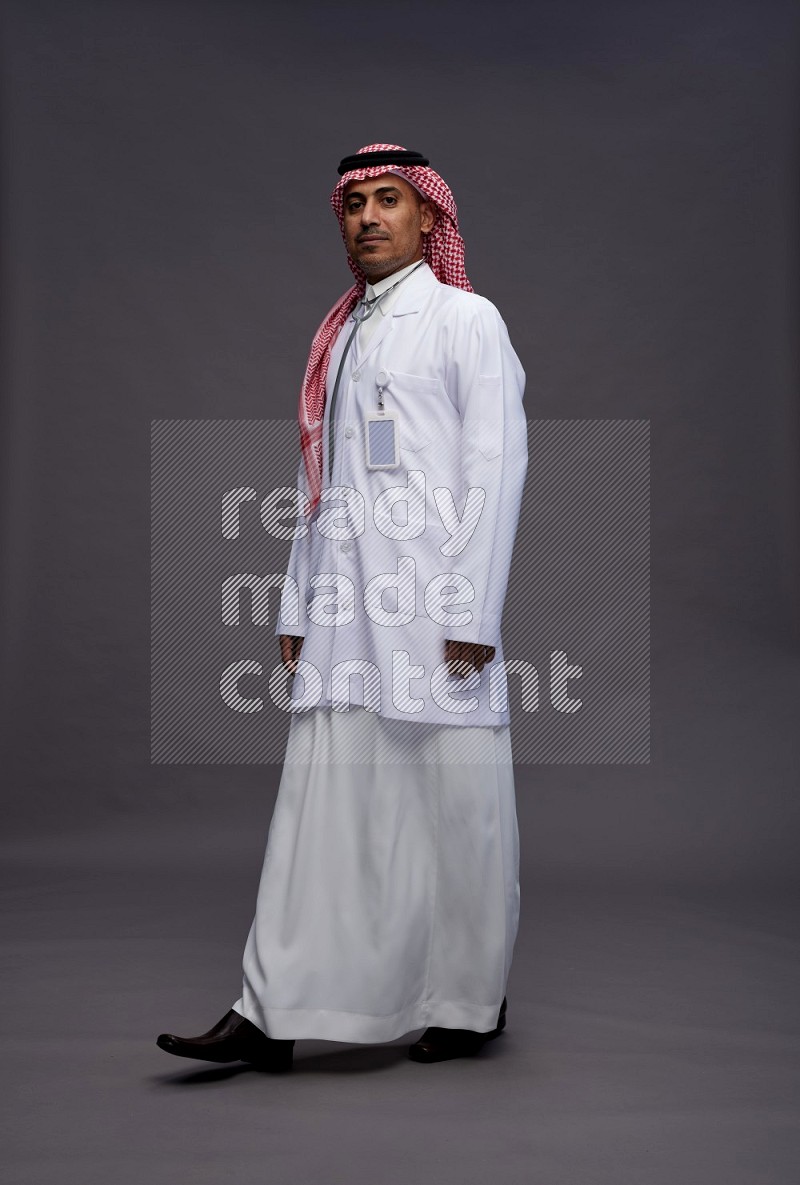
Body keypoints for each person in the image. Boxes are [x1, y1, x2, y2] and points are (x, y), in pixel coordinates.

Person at [157, 143, 528, 1071]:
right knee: (322, 805)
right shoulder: (344, 331)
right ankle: (272, 1009)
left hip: (437, 613)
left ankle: (468, 1001)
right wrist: (295, 597)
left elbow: (497, 465)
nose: (367, 217)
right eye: (354, 202)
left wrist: (474, 613)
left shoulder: (465, 319)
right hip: (344, 613)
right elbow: (318, 479)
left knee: (458, 808)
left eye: (388, 200)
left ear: (429, 218)